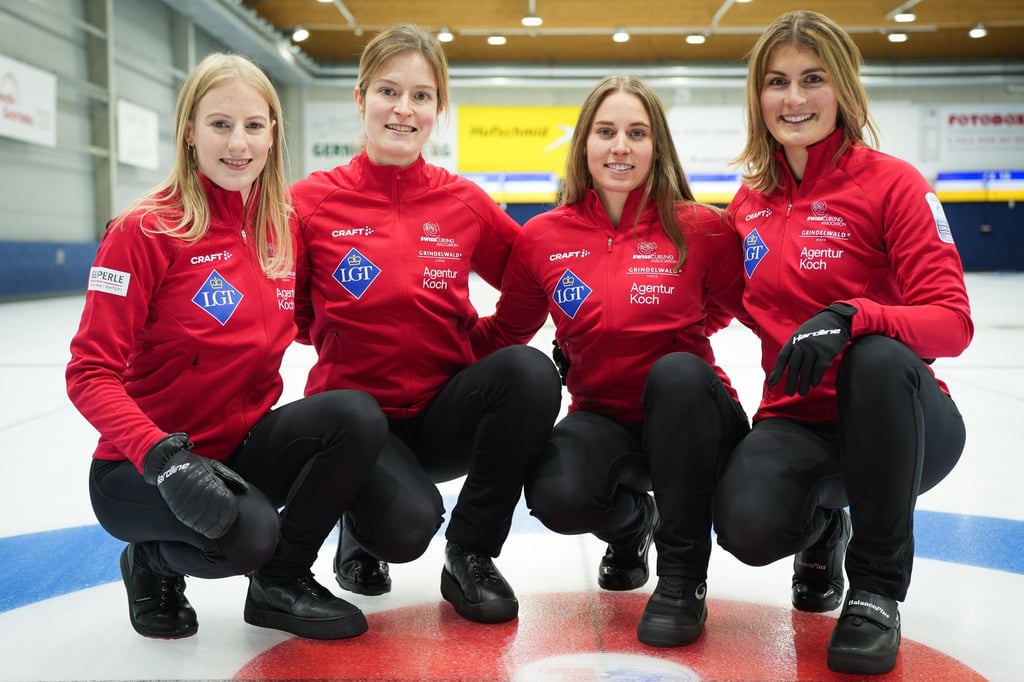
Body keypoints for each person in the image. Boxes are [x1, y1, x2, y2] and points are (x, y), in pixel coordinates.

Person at [65, 52, 388, 641]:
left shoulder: (281, 227)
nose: (238, 143)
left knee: (356, 414)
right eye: (220, 124)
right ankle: (150, 561)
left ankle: (282, 583)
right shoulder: (143, 232)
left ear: (272, 135)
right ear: (190, 131)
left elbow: (315, 321)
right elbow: (88, 372)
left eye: (254, 126)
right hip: (143, 466)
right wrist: (163, 457)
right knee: (248, 534)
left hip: (237, 447)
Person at [713, 10, 973, 676]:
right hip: (796, 419)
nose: (794, 98)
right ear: (758, 98)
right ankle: (824, 527)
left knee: (879, 357)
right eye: (777, 82)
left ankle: (877, 591)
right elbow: (723, 304)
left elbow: (953, 322)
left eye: (812, 79)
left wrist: (856, 315)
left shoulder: (895, 185)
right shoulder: (747, 204)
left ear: (843, 89)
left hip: (900, 419)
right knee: (745, 526)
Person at [290, 24, 562, 625]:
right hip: (356, 425)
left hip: (443, 414)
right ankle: (356, 523)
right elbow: (290, 310)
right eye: (389, 91)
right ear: (360, 99)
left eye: (421, 96)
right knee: (404, 529)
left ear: (440, 108)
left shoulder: (463, 202)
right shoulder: (309, 203)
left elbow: (531, 278)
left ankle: (471, 553)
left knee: (530, 373)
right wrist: (329, 338)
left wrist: (482, 344)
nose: (403, 109)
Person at [472, 74, 751, 647]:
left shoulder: (702, 228)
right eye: (606, 132)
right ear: (584, 145)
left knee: (675, 376)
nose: (620, 146)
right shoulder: (543, 237)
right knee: (558, 493)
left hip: (694, 417)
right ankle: (631, 529)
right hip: (603, 416)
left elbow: (751, 309)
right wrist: (426, 346)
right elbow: (507, 331)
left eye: (636, 132)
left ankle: (681, 580)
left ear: (657, 146)